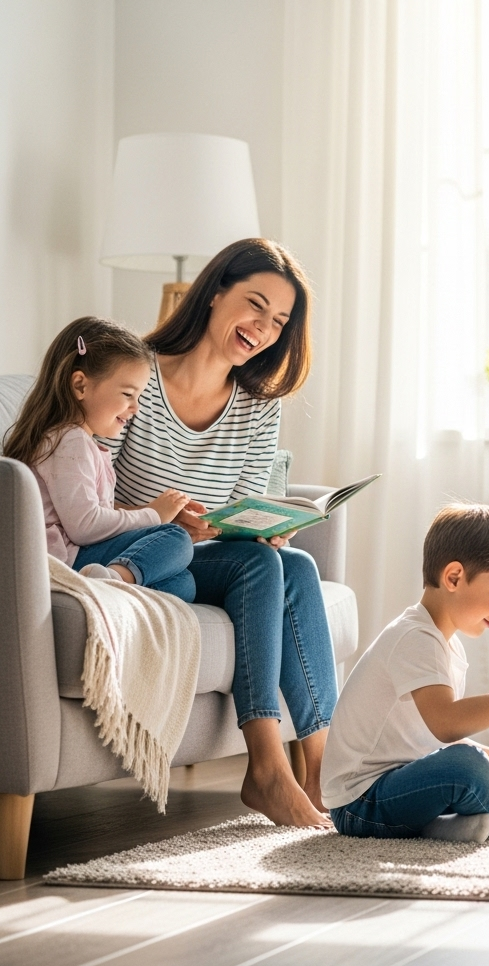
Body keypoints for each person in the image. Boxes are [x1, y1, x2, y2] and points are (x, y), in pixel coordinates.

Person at [105, 238, 336, 829]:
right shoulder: (133, 373)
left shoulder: (258, 406)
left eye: (278, 321)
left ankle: (322, 772)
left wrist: (263, 529)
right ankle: (266, 768)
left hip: (203, 554)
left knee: (294, 564)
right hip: (134, 549)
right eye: (255, 305)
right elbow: (83, 496)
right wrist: (160, 513)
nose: (263, 327)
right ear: (214, 293)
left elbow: (243, 508)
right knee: (259, 567)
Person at [321, 503, 489, 843]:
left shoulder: (447, 646)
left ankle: (447, 824)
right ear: (453, 577)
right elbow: (447, 724)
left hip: (409, 778)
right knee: (466, 766)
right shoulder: (414, 638)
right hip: (361, 803)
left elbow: (436, 739)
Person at [4, 316, 194, 599]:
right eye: (128, 394)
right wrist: (154, 515)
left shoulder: (78, 442)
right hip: (65, 560)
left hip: (78, 556)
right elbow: (85, 527)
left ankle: (112, 579)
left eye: (139, 396)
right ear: (80, 385)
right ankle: (108, 583)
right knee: (175, 538)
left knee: (184, 584)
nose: (136, 408)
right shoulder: (69, 441)